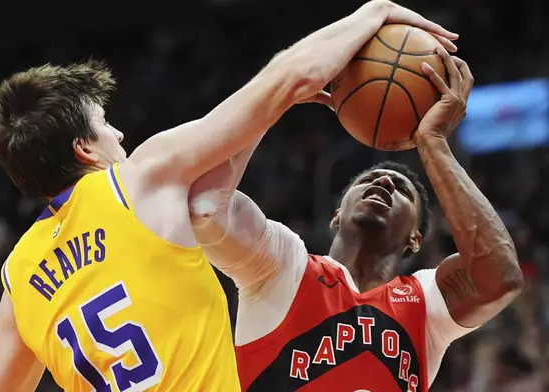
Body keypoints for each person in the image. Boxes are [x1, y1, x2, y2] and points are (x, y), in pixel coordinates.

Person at [0, 1, 458, 391]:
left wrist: (274, 104)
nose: (121, 134)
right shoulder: (138, 180)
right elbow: (291, 76)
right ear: (84, 149)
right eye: (106, 127)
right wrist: (372, 13)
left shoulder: (17, 286)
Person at [189, 45, 523, 391]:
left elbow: (501, 277)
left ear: (415, 238)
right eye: (367, 180)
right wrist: (277, 95)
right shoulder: (284, 264)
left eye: (402, 189)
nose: (383, 181)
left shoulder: (426, 305)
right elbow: (205, 205)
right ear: (337, 214)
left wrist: (433, 143)